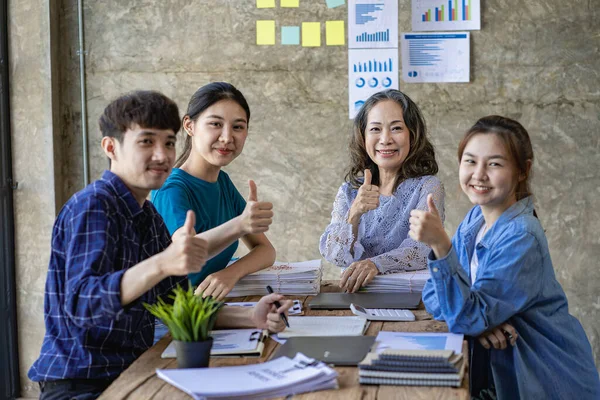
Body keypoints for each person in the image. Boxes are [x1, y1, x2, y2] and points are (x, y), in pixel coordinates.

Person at [28, 90, 292, 400]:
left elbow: (174, 305)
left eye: (168, 142)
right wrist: (163, 263)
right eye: (146, 142)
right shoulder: (94, 206)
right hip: (83, 384)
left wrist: (250, 317)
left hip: (137, 370)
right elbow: (82, 304)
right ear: (110, 147)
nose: (162, 155)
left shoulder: (147, 215)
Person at [409, 115, 600, 399]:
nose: (479, 174)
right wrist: (480, 323)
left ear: (523, 171)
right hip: (501, 373)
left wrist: (440, 245)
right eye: (470, 161)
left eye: (495, 163)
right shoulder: (476, 219)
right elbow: (435, 299)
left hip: (547, 378)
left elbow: (464, 312)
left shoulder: (521, 236)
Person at [152, 82, 275, 300]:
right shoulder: (171, 188)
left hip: (213, 310)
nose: (227, 137)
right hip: (174, 323)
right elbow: (186, 252)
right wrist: (239, 225)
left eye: (238, 127)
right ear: (189, 126)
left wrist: (230, 273)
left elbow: (266, 250)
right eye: (215, 124)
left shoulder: (223, 182)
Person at [319, 89, 444, 293]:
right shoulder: (349, 190)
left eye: (396, 128)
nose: (385, 139)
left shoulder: (427, 186)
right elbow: (336, 256)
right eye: (375, 129)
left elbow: (421, 249)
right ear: (363, 136)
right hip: (356, 295)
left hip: (408, 296)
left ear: (412, 134)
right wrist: (354, 214)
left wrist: (375, 264)